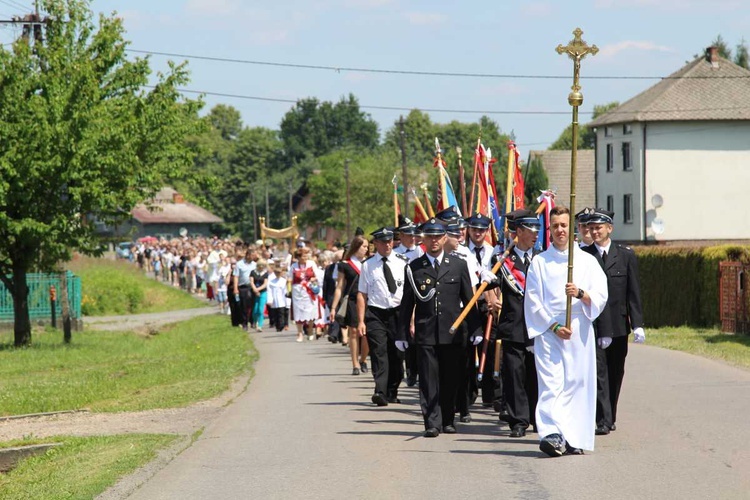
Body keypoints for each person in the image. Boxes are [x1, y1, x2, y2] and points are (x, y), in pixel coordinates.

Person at [524, 206, 609, 456]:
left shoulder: (586, 261)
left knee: (577, 382)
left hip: (579, 329)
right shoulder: (540, 262)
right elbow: (533, 300)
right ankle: (551, 433)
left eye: (563, 225)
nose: (560, 230)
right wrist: (553, 326)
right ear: (549, 231)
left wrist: (581, 294)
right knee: (551, 383)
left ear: (571, 228)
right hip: (550, 330)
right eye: (555, 226)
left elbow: (601, 295)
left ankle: (574, 436)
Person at [398, 219, 483, 437]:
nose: (434, 241)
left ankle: (447, 419)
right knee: (428, 380)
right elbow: (407, 303)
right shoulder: (414, 268)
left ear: (445, 238)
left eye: (438, 236)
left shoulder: (458, 265)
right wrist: (402, 333)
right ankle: (431, 423)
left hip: (452, 333)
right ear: (423, 240)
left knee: (450, 378)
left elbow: (468, 299)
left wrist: (475, 329)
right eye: (429, 236)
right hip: (426, 332)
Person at [583, 208, 645, 436]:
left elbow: (633, 292)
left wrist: (637, 323)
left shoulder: (625, 255)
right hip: (595, 324)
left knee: (616, 371)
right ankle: (602, 419)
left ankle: (611, 414)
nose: (594, 231)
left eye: (599, 227)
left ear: (610, 228)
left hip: (619, 325)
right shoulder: (584, 255)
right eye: (591, 227)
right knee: (599, 372)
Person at [495, 210, 541, 438]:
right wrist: (486, 279)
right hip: (513, 326)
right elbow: (491, 288)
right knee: (515, 376)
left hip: (539, 328)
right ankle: (518, 421)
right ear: (519, 232)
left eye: (538, 230)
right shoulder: (503, 261)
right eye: (532, 231)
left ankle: (538, 417)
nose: (536, 235)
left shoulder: (543, 259)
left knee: (537, 376)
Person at [357, 227, 408, 406]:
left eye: (389, 241)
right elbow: (362, 294)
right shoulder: (368, 265)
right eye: (383, 242)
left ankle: (392, 389)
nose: (387, 244)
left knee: (397, 355)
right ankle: (380, 390)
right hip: (376, 312)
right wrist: (361, 320)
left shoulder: (403, 262)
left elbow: (409, 292)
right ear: (376, 244)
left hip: (398, 312)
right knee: (379, 353)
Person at [330, 236, 370, 375]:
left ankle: (364, 359)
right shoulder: (345, 265)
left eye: (367, 247)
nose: (366, 249)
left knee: (366, 334)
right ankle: (355, 364)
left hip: (368, 301)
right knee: (353, 332)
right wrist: (334, 308)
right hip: (353, 300)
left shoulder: (370, 262)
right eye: (363, 246)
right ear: (356, 247)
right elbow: (340, 287)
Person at [393, 217, 424, 387]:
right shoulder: (395, 253)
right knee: (403, 336)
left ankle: (414, 370)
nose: (413, 238)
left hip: (418, 296)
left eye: (414, 235)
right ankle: (409, 370)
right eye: (408, 234)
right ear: (401, 235)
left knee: (415, 337)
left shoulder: (420, 252)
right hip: (399, 298)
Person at [289, 247, 319, 342]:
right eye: (303, 255)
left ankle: (310, 330)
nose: (305, 257)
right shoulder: (294, 266)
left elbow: (317, 276)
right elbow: (289, 278)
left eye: (306, 255)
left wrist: (310, 281)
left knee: (310, 311)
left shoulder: (311, 264)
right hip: (298, 292)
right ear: (298, 257)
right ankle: (300, 333)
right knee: (298, 312)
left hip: (309, 291)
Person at [233, 248, 257, 331]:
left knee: (253, 305)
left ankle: (252, 320)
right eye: (252, 255)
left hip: (252, 286)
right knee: (244, 306)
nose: (254, 257)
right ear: (248, 255)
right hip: (243, 287)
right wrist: (235, 288)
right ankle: (244, 323)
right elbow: (236, 276)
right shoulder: (239, 264)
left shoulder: (254, 264)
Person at [250, 259, 269, 331]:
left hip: (263, 292)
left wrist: (258, 289)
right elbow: (251, 281)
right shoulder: (253, 272)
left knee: (261, 310)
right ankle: (255, 321)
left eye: (263, 265)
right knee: (255, 310)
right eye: (260, 265)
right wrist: (255, 289)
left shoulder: (265, 273)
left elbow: (265, 284)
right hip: (254, 292)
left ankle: (260, 325)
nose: (261, 266)